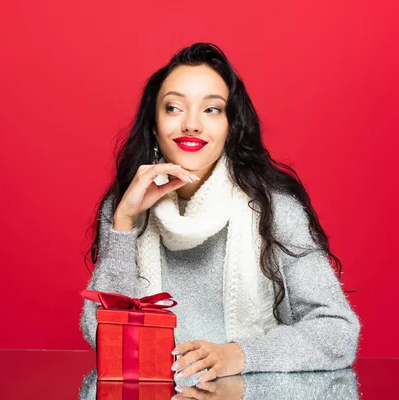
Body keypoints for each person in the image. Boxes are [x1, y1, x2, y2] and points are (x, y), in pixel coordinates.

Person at [78, 42, 360, 393]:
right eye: (174, 107)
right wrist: (124, 222)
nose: (192, 124)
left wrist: (240, 355)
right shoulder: (125, 211)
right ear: (154, 126)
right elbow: (104, 341)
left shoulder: (273, 208)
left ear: (231, 127)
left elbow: (336, 331)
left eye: (211, 109)